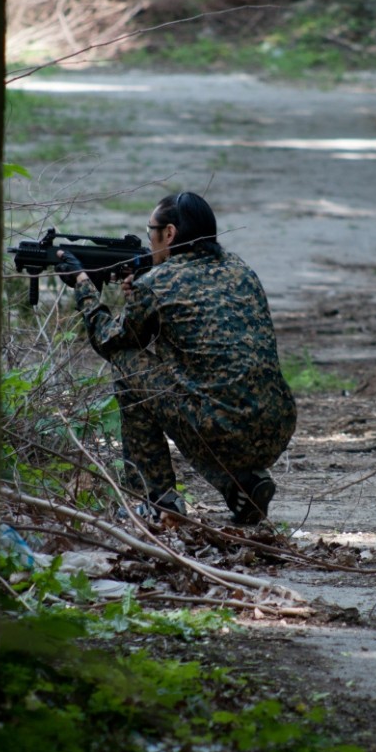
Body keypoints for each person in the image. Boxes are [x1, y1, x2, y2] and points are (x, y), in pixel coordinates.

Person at [56, 192, 296, 524]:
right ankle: (242, 483)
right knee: (209, 396)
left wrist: (83, 284)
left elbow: (110, 341)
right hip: (276, 427)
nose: (149, 239)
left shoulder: (158, 283)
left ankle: (157, 499)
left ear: (169, 233)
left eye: (150, 229)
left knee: (127, 363)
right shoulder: (241, 269)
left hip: (223, 429)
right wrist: (144, 289)